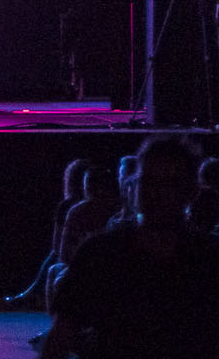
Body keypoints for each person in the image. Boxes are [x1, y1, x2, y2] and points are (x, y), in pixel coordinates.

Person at [40, 135, 219, 359]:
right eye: (149, 182)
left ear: (190, 191)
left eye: (169, 184)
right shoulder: (100, 254)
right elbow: (60, 339)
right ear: (133, 186)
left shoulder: (209, 259)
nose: (156, 193)